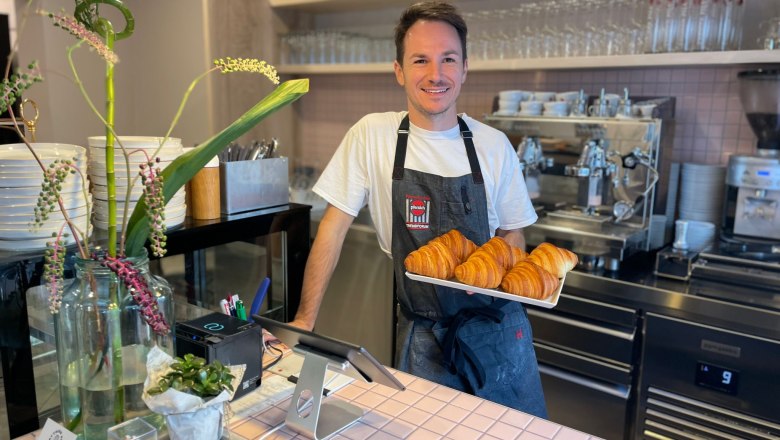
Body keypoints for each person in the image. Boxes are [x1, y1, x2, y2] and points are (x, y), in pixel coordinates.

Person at [289, 1, 546, 417]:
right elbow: (332, 230)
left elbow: (513, 235)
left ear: (464, 68)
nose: (436, 74)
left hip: (496, 332)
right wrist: (304, 321)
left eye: (448, 59)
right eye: (420, 60)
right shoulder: (372, 135)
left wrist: (491, 276)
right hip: (422, 333)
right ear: (399, 71)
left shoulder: (493, 145)